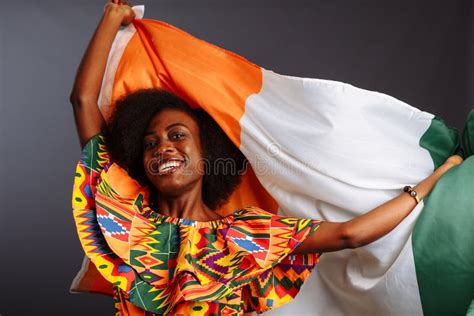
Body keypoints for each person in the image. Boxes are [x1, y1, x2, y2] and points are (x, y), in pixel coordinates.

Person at [69, 1, 464, 315]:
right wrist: (110, 19)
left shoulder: (243, 235)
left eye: (177, 136)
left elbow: (351, 234)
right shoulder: (127, 217)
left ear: (206, 154)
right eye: (150, 143)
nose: (163, 148)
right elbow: (83, 100)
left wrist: (433, 181)